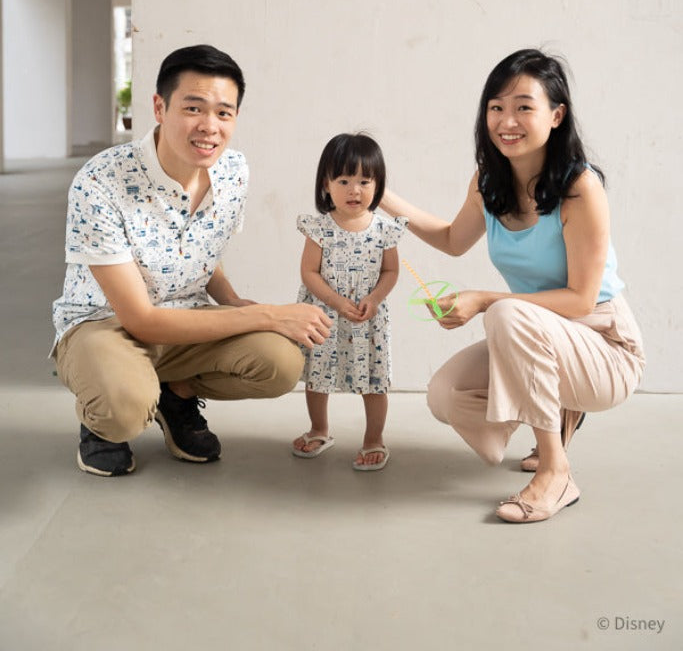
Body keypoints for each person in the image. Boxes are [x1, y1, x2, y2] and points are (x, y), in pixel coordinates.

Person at [380, 49, 644, 522]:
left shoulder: (580, 188)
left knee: (506, 313)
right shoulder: (488, 181)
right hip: (540, 336)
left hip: (605, 342)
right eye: (496, 107)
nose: (507, 120)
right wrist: (383, 197)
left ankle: (555, 472)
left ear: (557, 115)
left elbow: (582, 298)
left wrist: (483, 299)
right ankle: (558, 409)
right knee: (447, 395)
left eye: (524, 106)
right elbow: (452, 240)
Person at [52, 45, 331, 477]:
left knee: (282, 362)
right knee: (124, 410)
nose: (209, 127)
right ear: (159, 107)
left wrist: (235, 301)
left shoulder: (233, 171)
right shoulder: (100, 181)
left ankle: (173, 394)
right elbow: (141, 320)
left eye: (224, 113)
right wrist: (269, 314)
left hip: (187, 317)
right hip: (104, 323)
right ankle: (103, 424)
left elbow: (202, 252)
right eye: (194, 108)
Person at [291, 134, 407, 471]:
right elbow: (309, 272)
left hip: (367, 317)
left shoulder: (385, 229)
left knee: (373, 380)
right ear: (326, 184)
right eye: (344, 180)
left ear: (377, 185)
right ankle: (319, 429)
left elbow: (391, 271)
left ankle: (374, 438)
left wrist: (373, 298)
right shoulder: (320, 228)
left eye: (364, 181)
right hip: (325, 314)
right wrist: (336, 301)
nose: (354, 190)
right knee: (317, 375)